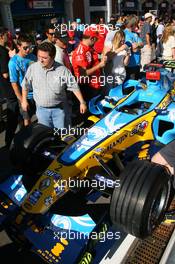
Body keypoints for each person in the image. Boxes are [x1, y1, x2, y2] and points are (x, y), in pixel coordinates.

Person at [21, 42, 87, 129]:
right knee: (46, 136)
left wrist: (82, 102)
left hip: (60, 111)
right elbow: (25, 85)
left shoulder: (63, 70)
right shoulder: (33, 68)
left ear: (52, 57)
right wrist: (24, 100)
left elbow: (74, 86)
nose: (40, 60)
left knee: (62, 136)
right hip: (41, 111)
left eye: (44, 58)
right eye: (39, 56)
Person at [72, 28, 107, 103]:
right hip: (88, 87)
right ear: (92, 38)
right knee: (90, 110)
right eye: (96, 39)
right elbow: (83, 74)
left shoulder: (89, 48)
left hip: (95, 84)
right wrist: (99, 66)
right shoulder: (81, 52)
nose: (96, 42)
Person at [8, 34, 37, 126]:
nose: (28, 50)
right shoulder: (13, 62)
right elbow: (14, 83)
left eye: (30, 47)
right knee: (27, 121)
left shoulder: (33, 57)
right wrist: (22, 100)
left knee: (41, 116)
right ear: (18, 46)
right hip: (25, 96)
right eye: (25, 48)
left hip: (37, 93)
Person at [0, 27, 20, 147]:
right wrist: (12, 59)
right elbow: (5, 74)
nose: (8, 36)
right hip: (8, 88)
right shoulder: (2, 51)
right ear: (2, 35)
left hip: (3, 88)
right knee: (13, 114)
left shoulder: (3, 49)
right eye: (7, 34)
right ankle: (9, 140)